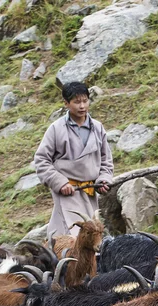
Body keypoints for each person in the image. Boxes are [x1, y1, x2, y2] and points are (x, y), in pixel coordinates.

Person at [33, 81, 113, 240]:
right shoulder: (56, 129)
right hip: (68, 192)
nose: (82, 106)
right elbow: (41, 160)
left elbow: (106, 160)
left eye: (85, 101)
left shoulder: (97, 128)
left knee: (91, 233)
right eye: (77, 102)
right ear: (66, 103)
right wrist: (60, 182)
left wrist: (104, 179)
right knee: (72, 234)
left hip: (90, 190)